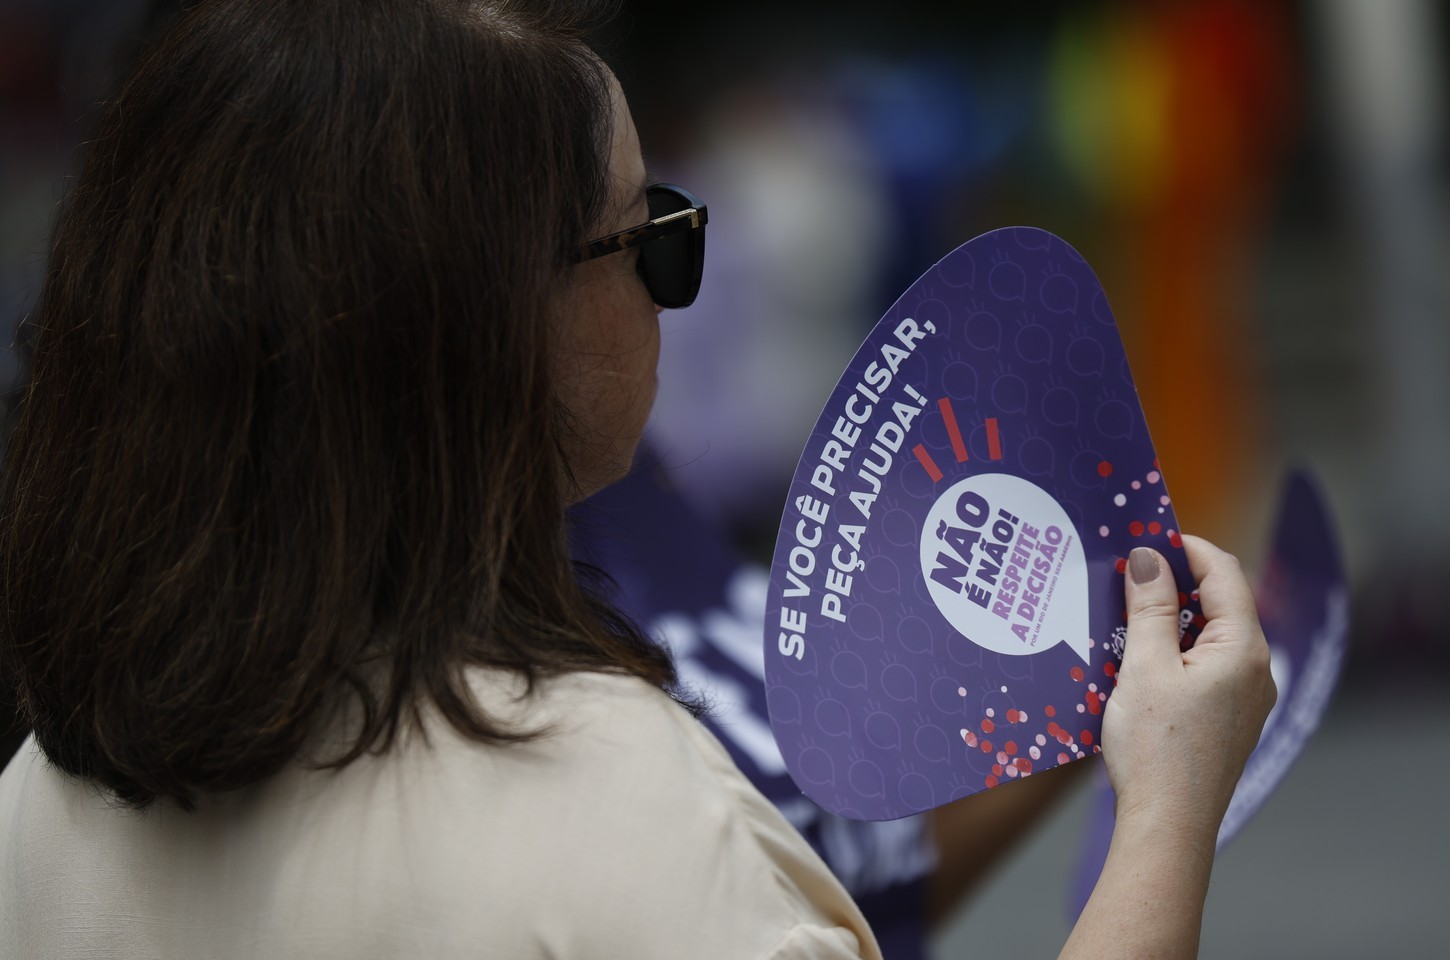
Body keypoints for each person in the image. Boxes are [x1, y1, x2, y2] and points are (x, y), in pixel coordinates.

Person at [0, 2, 1276, 958]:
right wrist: (1167, 805)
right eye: (651, 235)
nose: (675, 281)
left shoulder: (42, 805)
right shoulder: (620, 810)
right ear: (489, 329)